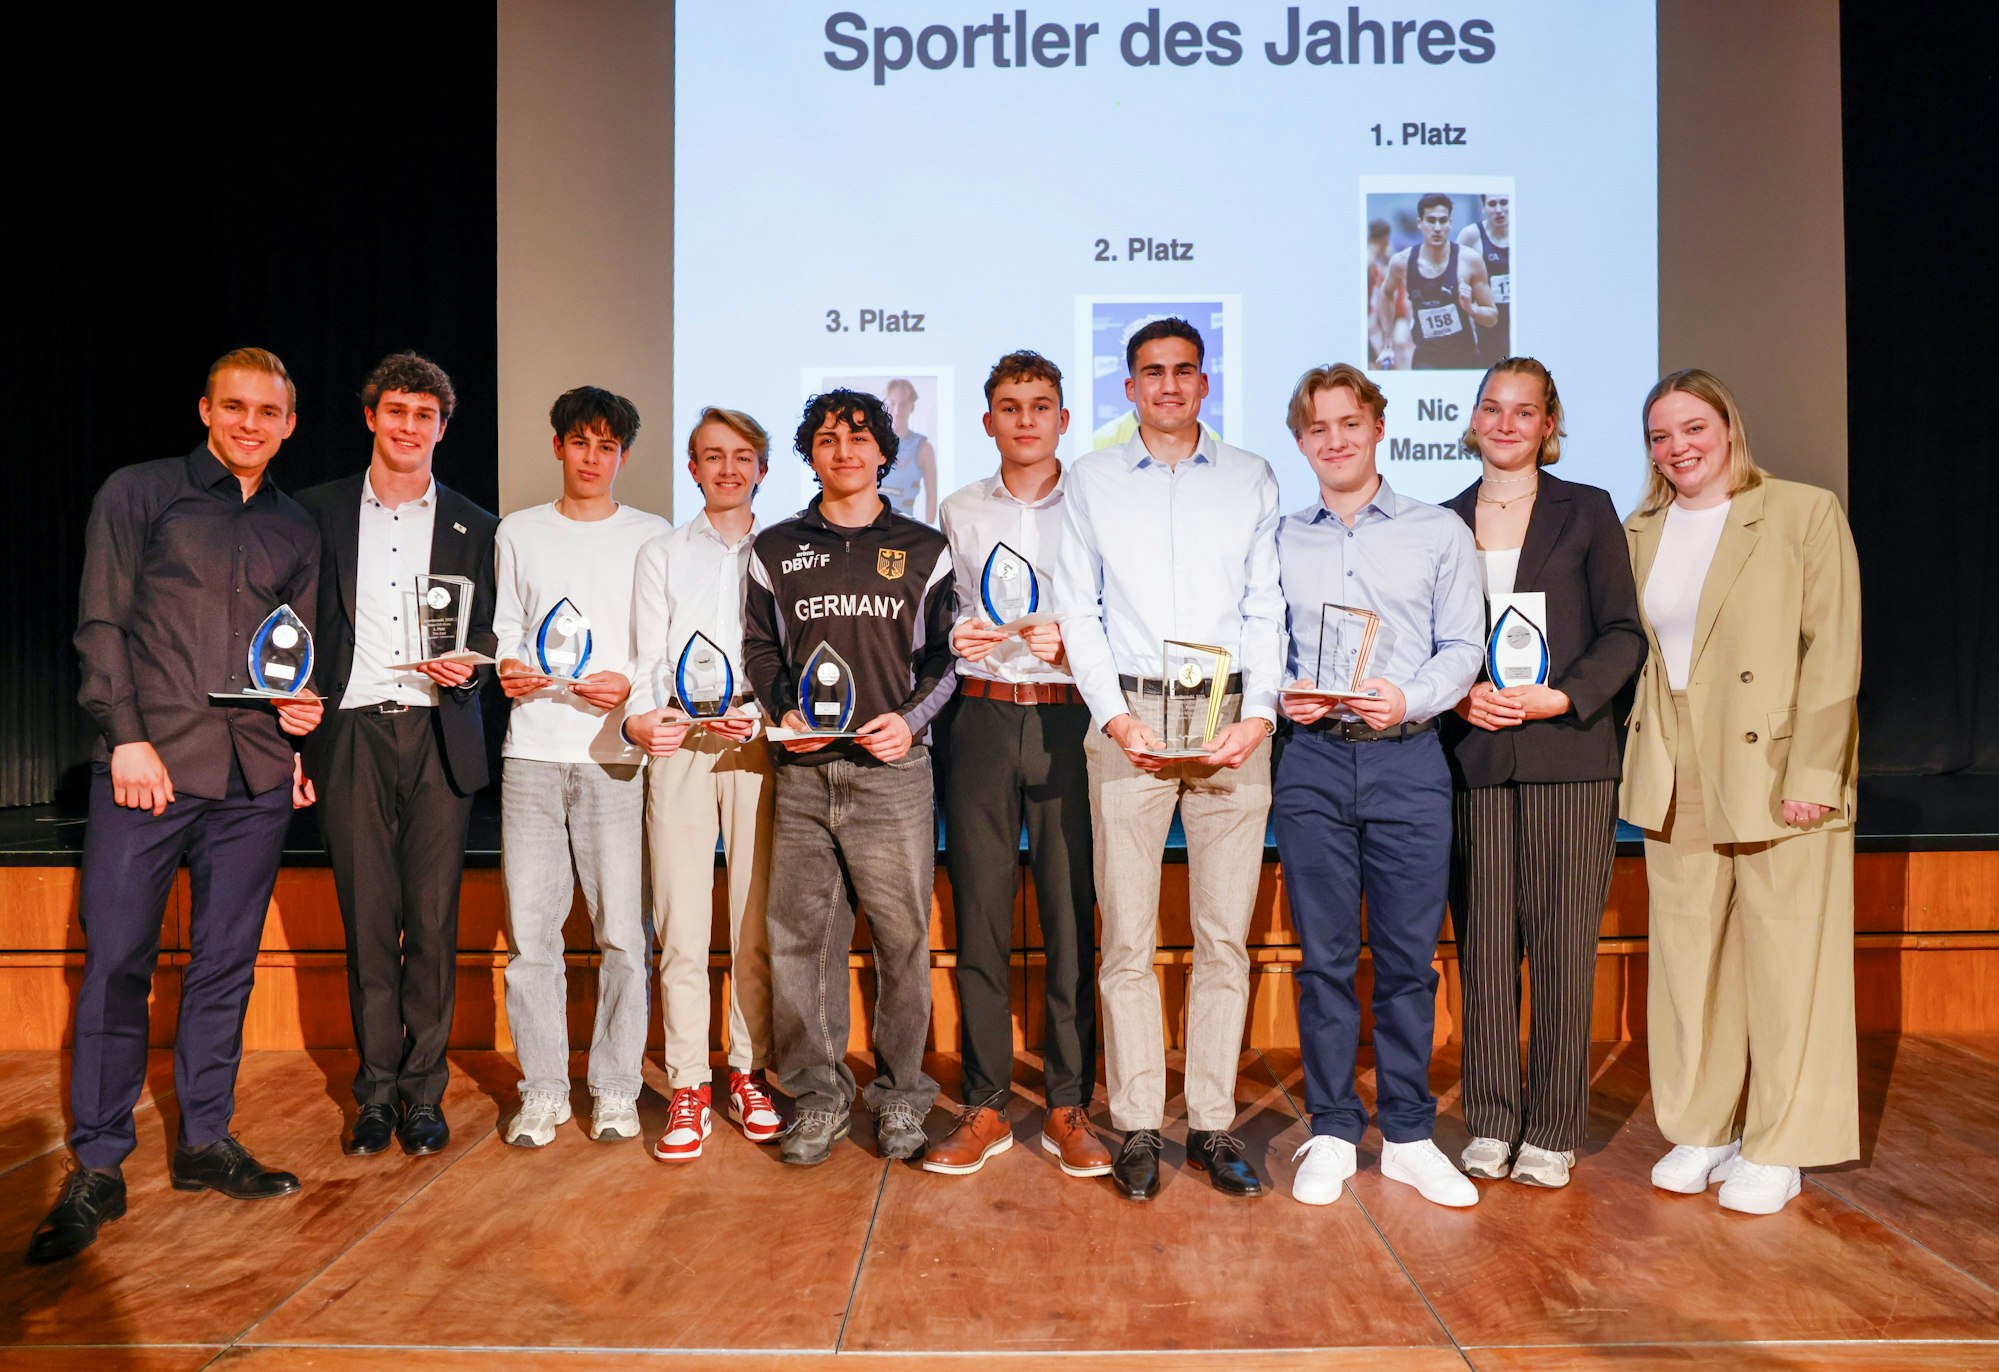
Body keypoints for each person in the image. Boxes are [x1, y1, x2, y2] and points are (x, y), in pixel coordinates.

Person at [29, 348, 325, 1265]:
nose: (249, 424)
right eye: (233, 407)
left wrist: (299, 735)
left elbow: (295, 656)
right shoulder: (140, 492)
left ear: (288, 424)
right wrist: (124, 737)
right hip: (145, 773)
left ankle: (203, 1143)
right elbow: (101, 623)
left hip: (254, 782)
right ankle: (100, 1164)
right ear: (205, 409)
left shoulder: (297, 528)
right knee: (118, 963)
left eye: (267, 412)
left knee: (225, 967)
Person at [1621, 368, 1861, 1216]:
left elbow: (1832, 652)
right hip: (1675, 759)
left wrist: (1813, 775)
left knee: (1789, 960)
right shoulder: (1640, 528)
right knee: (1689, 961)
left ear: (1728, 427)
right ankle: (1703, 1128)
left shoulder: (1800, 510)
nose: (1677, 447)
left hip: (1772, 763)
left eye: (1692, 427)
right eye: (1659, 435)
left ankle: (1782, 1143)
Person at [1056, 317, 1282, 1201]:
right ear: (1130, 388)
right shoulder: (1093, 479)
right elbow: (1080, 611)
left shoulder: (1251, 476)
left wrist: (1258, 713)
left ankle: (1215, 1124)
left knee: (1224, 936)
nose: (1169, 386)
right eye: (1151, 373)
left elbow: (1266, 609)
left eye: (1184, 371)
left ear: (1204, 382)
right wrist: (1113, 718)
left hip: (1230, 715)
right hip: (1132, 719)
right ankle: (1141, 1125)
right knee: (1128, 938)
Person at [1273, 363, 1484, 1209]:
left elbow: (1463, 647)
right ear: (1301, 442)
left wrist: (1411, 695)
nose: (1335, 440)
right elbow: (1258, 641)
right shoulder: (1279, 536)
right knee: (1323, 960)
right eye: (1318, 429)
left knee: (1406, 961)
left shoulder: (1437, 531)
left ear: (1377, 427)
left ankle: (1405, 1133)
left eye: (1349, 423)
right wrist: (1273, 693)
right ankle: (1330, 1127)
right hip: (1312, 759)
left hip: (1406, 756)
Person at [1438, 357, 1645, 1189]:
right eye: (1492, 408)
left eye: (1524, 412)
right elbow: (1430, 644)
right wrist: (1458, 699)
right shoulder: (1440, 521)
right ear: (1473, 419)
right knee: (1485, 944)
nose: (1506, 423)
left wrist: (1565, 699)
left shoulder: (1586, 511)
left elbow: (1624, 633)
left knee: (1561, 944)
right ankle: (1490, 1121)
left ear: (1548, 424)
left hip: (1568, 757)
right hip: (1476, 754)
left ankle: (1553, 1130)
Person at [742, 389, 957, 1166]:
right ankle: (819, 1097)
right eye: (827, 439)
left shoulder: (925, 548)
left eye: (859, 439)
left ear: (883, 454)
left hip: (892, 774)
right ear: (809, 454)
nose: (844, 451)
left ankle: (901, 1099)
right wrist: (781, 712)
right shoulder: (775, 548)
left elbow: (944, 659)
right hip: (804, 774)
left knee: (902, 941)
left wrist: (910, 720)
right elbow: (761, 651)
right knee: (801, 941)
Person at [296, 353, 499, 1160]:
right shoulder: (314, 511)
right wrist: (294, 743)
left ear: (442, 429)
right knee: (368, 921)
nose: (409, 427)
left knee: (435, 920)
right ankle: (374, 1094)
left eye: (425, 416)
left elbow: (496, 628)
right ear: (371, 418)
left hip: (437, 733)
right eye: (396, 412)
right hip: (348, 734)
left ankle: (424, 1095)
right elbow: (294, 625)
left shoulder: (477, 525)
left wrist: (474, 658)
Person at [925, 351, 1108, 1180]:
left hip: (1074, 723)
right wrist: (955, 634)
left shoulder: (1101, 504)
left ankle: (1070, 1104)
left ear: (1064, 419)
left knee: (1072, 922)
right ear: (988, 420)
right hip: (983, 720)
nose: (1026, 418)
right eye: (1009, 405)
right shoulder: (958, 509)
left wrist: (1074, 644)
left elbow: (1118, 610)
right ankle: (987, 1102)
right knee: (982, 922)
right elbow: (941, 617)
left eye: (1041, 405)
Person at [493, 387, 668, 1148]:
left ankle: (617, 1088)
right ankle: (541, 1091)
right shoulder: (518, 532)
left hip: (613, 757)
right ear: (558, 446)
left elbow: (658, 643)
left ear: (622, 455)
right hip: (532, 752)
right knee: (532, 938)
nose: (592, 459)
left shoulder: (651, 535)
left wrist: (629, 685)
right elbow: (505, 626)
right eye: (579, 443)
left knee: (623, 936)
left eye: (606, 446)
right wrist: (507, 666)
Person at [624, 407, 784, 1161]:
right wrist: (660, 717)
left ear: (761, 467)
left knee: (752, 924)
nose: (726, 468)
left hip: (758, 745)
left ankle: (746, 1073)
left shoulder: (785, 550)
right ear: (691, 468)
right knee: (681, 925)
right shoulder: (661, 553)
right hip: (683, 745)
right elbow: (648, 656)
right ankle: (689, 1080)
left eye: (741, 455)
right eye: (711, 456)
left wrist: (763, 720)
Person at [1376, 194, 1495, 372]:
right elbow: (1385, 293)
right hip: (1426, 359)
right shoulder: (1402, 262)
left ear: (1450, 223)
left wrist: (1471, 309)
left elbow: (1491, 317)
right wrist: (1387, 342)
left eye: (1442, 220)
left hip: (1465, 358)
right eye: (1431, 220)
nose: (1437, 228)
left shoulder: (1469, 261)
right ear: (1420, 223)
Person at [1457, 194, 1511, 363]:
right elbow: (1454, 270)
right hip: (1487, 318)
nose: (1499, 210)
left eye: (1504, 203)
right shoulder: (1471, 235)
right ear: (1484, 208)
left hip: (1515, 314)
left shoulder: (1524, 231)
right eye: (1492, 204)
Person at [879, 378, 939, 523]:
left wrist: (930, 535)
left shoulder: (923, 448)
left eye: (903, 404)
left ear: (911, 407)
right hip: (868, 526)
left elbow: (932, 496)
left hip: (904, 527)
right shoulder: (872, 443)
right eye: (892, 403)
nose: (897, 410)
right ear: (885, 404)